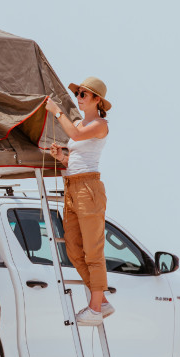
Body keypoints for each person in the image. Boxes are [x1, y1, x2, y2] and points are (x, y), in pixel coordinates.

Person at [45, 77, 113, 326]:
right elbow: (74, 159)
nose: (80, 97)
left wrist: (56, 112)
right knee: (73, 249)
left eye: (84, 94)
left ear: (97, 100)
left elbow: (74, 133)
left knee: (93, 250)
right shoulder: (81, 124)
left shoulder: (99, 124)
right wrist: (62, 157)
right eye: (79, 93)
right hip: (73, 187)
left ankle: (95, 307)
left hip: (88, 187)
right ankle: (101, 301)